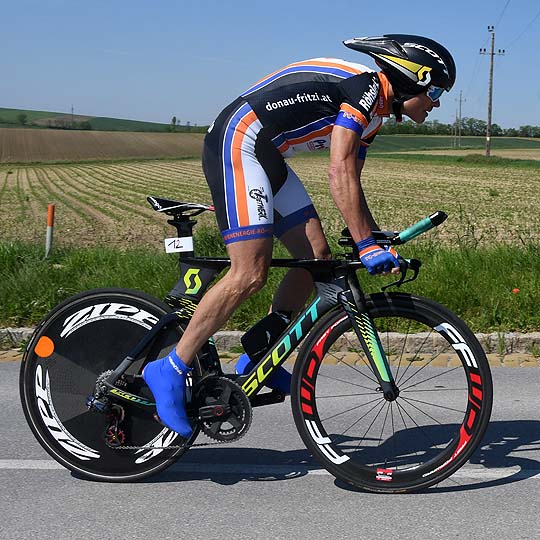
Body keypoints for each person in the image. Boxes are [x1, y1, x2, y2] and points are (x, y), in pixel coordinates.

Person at [143, 34, 456, 437]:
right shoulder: (365, 90)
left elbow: (353, 182)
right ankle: (170, 368)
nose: (436, 103)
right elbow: (339, 170)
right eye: (435, 91)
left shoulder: (375, 117)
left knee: (317, 260)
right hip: (238, 141)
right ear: (411, 79)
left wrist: (371, 237)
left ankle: (260, 354)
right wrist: (365, 244)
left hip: (267, 154)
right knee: (249, 272)